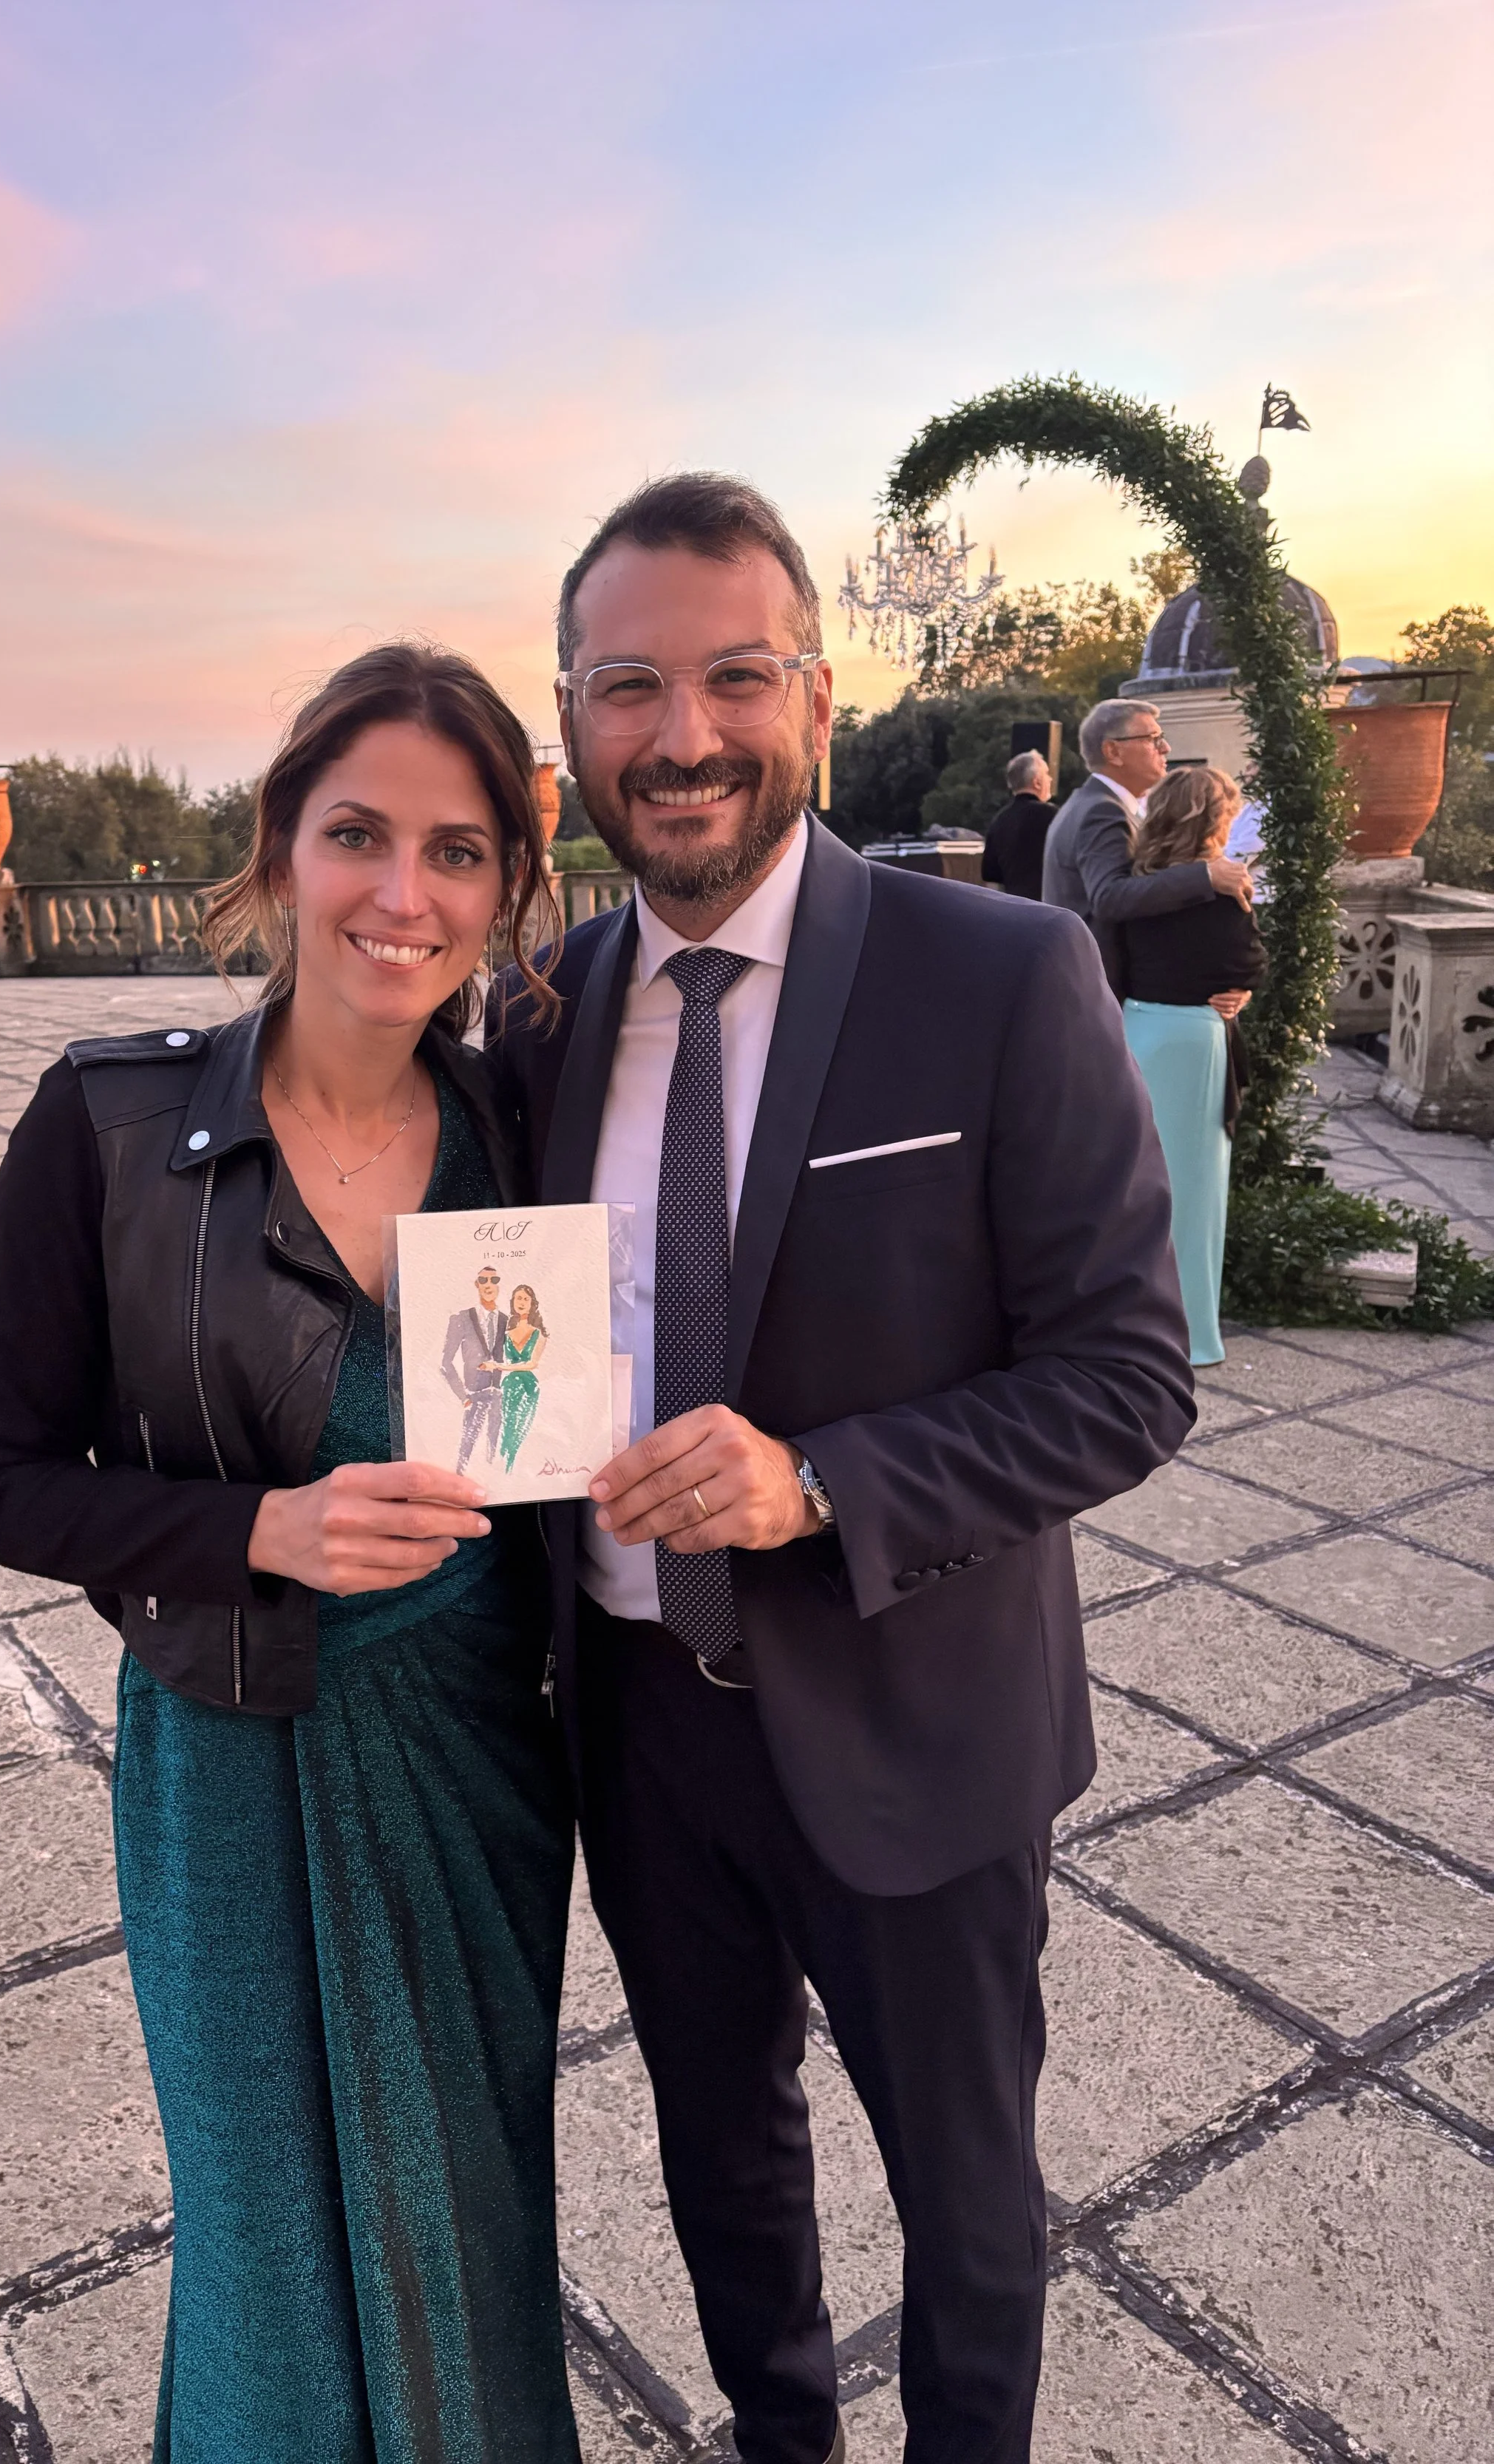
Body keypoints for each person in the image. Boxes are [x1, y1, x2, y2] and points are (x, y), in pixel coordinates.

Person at [487, 475, 1195, 2464]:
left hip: (916, 1711)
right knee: (722, 2159)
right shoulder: (536, 1014)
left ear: (813, 696)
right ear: (571, 719)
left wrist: (812, 1481)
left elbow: (1126, 1375)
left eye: (733, 676)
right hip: (638, 1726)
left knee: (966, 2205)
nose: (682, 733)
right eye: (628, 685)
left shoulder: (998, 974)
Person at [0, 645, 579, 2464]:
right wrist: (259, 1531)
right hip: (227, 1754)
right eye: (358, 834)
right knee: (267, 2239)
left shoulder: (518, 1128)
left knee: (468, 2208)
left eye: (458, 852)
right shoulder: (112, 1124)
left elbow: (557, 1428)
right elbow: (2, 1480)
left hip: (473, 1755)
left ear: (507, 886)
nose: (404, 894)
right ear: (282, 844)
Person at [1121, 765, 1269, 1368]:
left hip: (1136, 1029)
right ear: (1211, 820)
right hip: (1192, 1040)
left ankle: (1130, 1322)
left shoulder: (1139, 884)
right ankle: (1189, 1332)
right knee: (1194, 1192)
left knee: (1135, 1188)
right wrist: (1245, 987)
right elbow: (1248, 962)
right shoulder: (1221, 889)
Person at [1042, 700, 1253, 991]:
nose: (1165, 748)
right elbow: (1109, 897)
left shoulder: (1092, 803)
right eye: (1152, 739)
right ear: (1113, 751)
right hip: (1099, 988)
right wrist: (1206, 876)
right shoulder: (1103, 811)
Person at [441, 1264, 508, 1470]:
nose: (489, 1285)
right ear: (477, 1285)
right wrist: (463, 1397)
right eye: (483, 1280)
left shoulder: (506, 1321)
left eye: (494, 1280)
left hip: (499, 1397)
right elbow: (446, 1363)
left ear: (499, 1286)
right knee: (465, 1456)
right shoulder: (461, 1318)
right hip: (474, 1396)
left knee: (495, 1454)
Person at [488, 1282, 548, 1470]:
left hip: (528, 1386)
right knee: (507, 1426)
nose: (521, 1302)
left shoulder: (539, 1334)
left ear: (532, 1304)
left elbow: (532, 1363)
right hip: (509, 1385)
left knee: (521, 1427)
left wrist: (500, 1367)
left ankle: (511, 1466)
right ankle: (504, 1466)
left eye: (525, 1299)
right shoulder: (506, 1333)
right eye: (518, 1298)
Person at [980, 749, 1056, 899]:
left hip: (1014, 905)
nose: (1050, 779)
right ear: (1037, 782)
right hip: (1048, 904)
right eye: (1047, 774)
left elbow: (989, 873)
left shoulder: (999, 820)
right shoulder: (1053, 816)